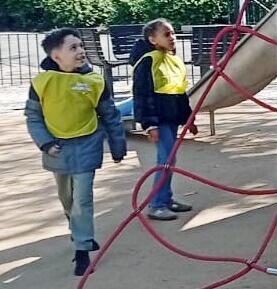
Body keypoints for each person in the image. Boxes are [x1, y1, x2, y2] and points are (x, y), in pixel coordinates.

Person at [24, 28, 127, 275]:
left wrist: (117, 145)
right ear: (56, 56)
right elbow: (33, 116)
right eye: (73, 48)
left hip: (88, 144)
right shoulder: (42, 83)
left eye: (81, 46)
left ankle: (82, 249)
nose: (81, 51)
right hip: (57, 148)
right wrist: (46, 143)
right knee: (67, 197)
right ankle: (77, 228)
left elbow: (110, 115)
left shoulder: (94, 82)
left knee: (82, 198)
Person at [130, 19, 197, 221]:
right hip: (160, 119)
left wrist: (188, 118)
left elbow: (179, 91)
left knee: (170, 159)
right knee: (165, 160)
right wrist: (149, 124)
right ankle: (157, 204)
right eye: (166, 34)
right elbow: (142, 95)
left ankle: (166, 199)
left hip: (172, 116)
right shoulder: (148, 61)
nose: (172, 38)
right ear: (153, 39)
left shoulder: (172, 60)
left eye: (173, 33)